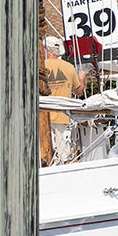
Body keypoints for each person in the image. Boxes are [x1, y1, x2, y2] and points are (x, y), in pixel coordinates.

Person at [41, 36, 84, 164]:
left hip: (44, 118)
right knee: (65, 156)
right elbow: (79, 91)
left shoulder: (40, 68)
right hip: (64, 118)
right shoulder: (69, 67)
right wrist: (81, 78)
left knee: (45, 156)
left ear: (46, 50)